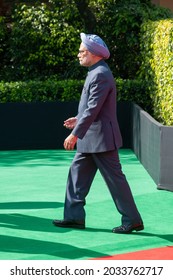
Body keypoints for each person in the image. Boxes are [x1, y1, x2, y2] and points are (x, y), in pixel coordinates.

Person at [53, 33, 144, 233]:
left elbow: (93, 108)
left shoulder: (100, 73)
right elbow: (95, 108)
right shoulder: (96, 72)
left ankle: (133, 220)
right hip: (91, 138)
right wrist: (78, 120)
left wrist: (75, 134)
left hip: (101, 139)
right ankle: (74, 217)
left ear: (93, 53)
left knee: (115, 181)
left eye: (81, 51)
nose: (78, 55)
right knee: (76, 175)